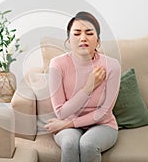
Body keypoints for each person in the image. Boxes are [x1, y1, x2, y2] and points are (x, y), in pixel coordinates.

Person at [44, 11, 121, 162]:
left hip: (103, 124)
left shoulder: (112, 66)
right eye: (77, 33)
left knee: (88, 144)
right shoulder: (57, 64)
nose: (83, 38)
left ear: (98, 41)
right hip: (66, 120)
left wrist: (69, 123)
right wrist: (88, 87)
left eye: (89, 33)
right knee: (70, 143)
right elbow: (61, 112)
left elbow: (105, 112)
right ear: (68, 40)